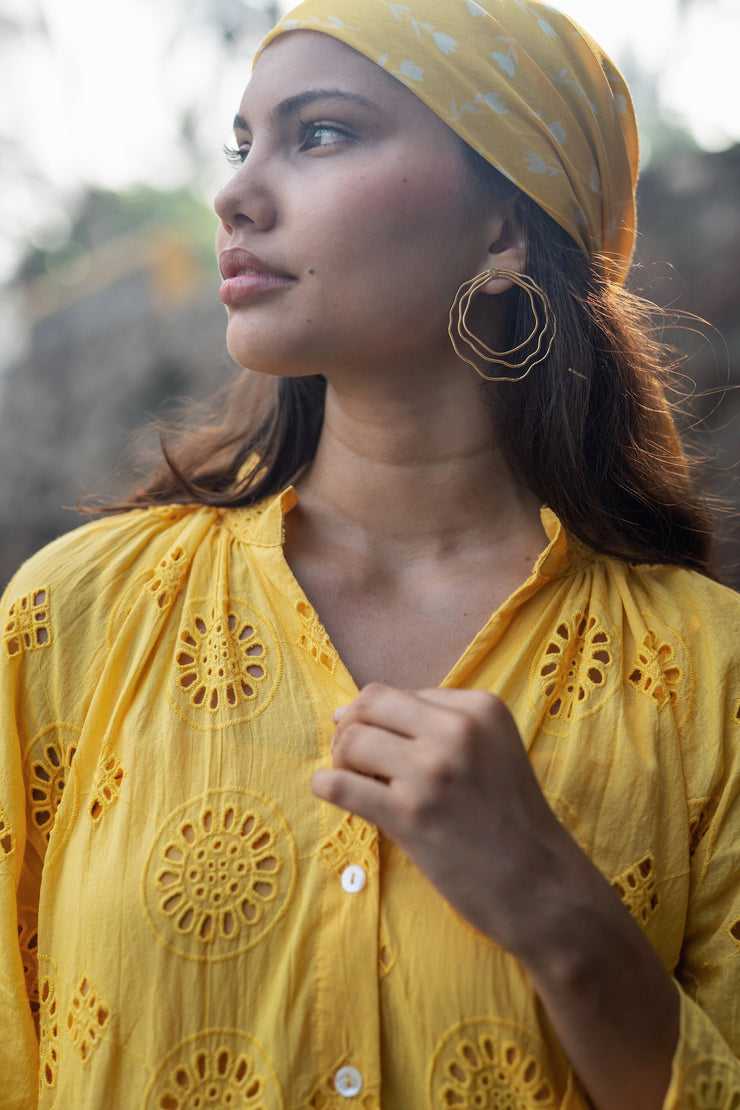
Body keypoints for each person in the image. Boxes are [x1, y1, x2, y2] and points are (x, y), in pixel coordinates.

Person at [1, 0, 739, 1106]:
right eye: (241, 146)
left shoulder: (712, 680)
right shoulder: (77, 617)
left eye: (321, 134)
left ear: (503, 230)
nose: (234, 196)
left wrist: (561, 917)